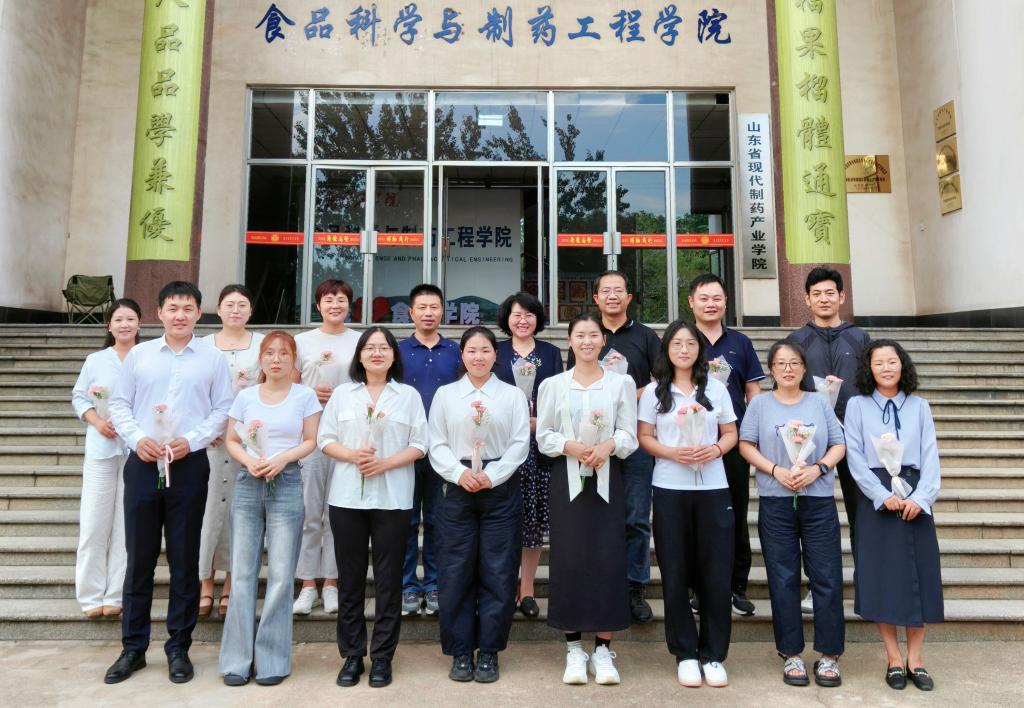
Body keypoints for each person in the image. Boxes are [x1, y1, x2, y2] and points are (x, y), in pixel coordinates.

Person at [105, 281, 233, 685]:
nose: (180, 315)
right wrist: (136, 438)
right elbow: (119, 404)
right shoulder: (140, 355)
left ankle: (179, 647)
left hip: (188, 464)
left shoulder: (213, 359)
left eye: (188, 308)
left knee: (184, 559)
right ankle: (133, 648)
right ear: (159, 313)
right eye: (173, 308)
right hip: (143, 463)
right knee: (139, 559)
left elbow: (223, 408)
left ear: (198, 313)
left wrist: (191, 441)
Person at [321, 327, 429, 689]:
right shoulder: (343, 394)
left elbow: (420, 444)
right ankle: (352, 655)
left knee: (388, 580)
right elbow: (325, 439)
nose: (377, 353)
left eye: (384, 347)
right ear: (360, 356)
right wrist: (353, 455)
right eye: (370, 348)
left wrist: (387, 463)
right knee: (350, 580)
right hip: (347, 497)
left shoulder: (408, 396)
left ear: (394, 355)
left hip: (393, 497)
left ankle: (382, 656)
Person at [537, 313, 639, 686]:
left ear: (603, 340)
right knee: (570, 559)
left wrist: (608, 445)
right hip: (567, 482)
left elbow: (629, 434)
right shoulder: (553, 385)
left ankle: (603, 650)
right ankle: (573, 649)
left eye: (593, 335)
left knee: (608, 559)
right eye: (580, 335)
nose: (587, 341)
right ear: (569, 340)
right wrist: (572, 446)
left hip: (607, 481)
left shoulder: (621, 383)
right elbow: (544, 435)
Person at [739, 340, 847, 689]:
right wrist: (775, 470)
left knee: (826, 576)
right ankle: (791, 653)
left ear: (804, 368)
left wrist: (818, 468)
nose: (788, 369)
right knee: (783, 577)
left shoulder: (819, 402)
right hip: (776, 500)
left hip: (818, 499)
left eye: (794, 363)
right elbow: (745, 445)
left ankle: (829, 654)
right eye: (781, 363)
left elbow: (839, 444)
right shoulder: (760, 404)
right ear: (771, 369)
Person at [637, 320, 738, 688]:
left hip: (714, 488)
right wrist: (671, 453)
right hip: (669, 487)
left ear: (699, 350)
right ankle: (685, 653)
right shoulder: (653, 391)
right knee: (675, 571)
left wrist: (715, 449)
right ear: (667, 349)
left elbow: (731, 433)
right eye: (676, 343)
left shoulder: (716, 388)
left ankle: (713, 654)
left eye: (690, 344)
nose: (684, 349)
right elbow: (644, 436)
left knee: (716, 573)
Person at [429, 326, 530, 683]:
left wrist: (493, 475)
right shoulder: (446, 395)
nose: (478, 356)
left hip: (499, 486)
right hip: (457, 486)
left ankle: (489, 650)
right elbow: (436, 442)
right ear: (462, 355)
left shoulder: (512, 395)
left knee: (498, 570)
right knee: (455, 569)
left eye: (485, 350)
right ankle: (460, 651)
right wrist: (459, 474)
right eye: (471, 350)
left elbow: (520, 442)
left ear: (495, 355)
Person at [219, 331, 321, 686]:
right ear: (260, 359)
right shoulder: (246, 396)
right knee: (242, 572)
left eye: (284, 353)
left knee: (280, 575)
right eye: (270, 353)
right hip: (249, 483)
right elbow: (232, 439)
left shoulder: (305, 396)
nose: (276, 359)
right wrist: (249, 460)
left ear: (294, 359)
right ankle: (237, 660)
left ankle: (272, 660)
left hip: (287, 481)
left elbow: (311, 440)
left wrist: (282, 459)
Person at [844, 340, 943, 691]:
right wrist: (880, 494)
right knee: (882, 576)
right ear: (868, 369)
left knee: (921, 574)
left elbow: (930, 455)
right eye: (879, 363)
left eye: (892, 361)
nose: (886, 368)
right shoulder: (857, 405)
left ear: (903, 365)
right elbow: (854, 456)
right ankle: (893, 658)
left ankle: (916, 659)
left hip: (915, 492)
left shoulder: (919, 406)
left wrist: (922, 497)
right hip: (877, 495)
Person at [566, 270, 660, 624]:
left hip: (633, 441)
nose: (612, 296)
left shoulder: (646, 337)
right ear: (596, 298)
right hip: (590, 445)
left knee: (636, 517)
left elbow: (660, 381)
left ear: (629, 297)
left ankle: (635, 587)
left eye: (618, 290)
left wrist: (623, 394)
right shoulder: (588, 335)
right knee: (594, 517)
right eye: (605, 291)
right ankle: (599, 583)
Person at [787, 266, 870, 616]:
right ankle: (815, 585)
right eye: (816, 294)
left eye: (830, 293)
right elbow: (786, 386)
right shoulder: (797, 340)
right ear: (806, 299)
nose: (824, 299)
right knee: (813, 517)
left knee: (862, 512)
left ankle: (868, 583)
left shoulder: (860, 338)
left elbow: (872, 385)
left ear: (842, 296)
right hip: (810, 439)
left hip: (856, 436)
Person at [688, 273, 764, 616]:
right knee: (694, 516)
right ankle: (697, 588)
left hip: (731, 442)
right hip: (689, 444)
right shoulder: (682, 339)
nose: (710, 304)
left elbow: (753, 391)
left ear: (726, 302)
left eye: (716, 298)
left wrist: (751, 434)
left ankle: (736, 586)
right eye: (704, 298)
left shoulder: (741, 343)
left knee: (734, 512)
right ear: (691, 302)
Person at [493, 291, 564, 618]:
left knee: (532, 521)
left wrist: (540, 422)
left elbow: (560, 397)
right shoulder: (495, 351)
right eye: (517, 314)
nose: (523, 320)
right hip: (503, 445)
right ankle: (504, 586)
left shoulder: (550, 353)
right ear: (507, 319)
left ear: (538, 319)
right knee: (505, 519)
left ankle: (527, 589)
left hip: (539, 448)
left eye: (529, 315)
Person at [293, 279, 361, 616]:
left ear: (350, 304)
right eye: (328, 299)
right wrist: (310, 394)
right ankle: (308, 583)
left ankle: (332, 582)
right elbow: (290, 387)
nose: (335, 305)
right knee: (309, 510)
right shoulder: (302, 341)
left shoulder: (360, 341)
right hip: (311, 434)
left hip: (347, 436)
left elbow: (368, 383)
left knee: (338, 512)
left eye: (341, 299)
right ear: (318, 305)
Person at [71, 298, 141, 619]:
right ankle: (89, 594)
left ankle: (116, 593)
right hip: (101, 449)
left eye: (130, 319)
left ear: (139, 323)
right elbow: (79, 396)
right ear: (109, 325)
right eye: (118, 319)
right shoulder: (95, 360)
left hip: (136, 450)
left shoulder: (147, 357)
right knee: (94, 523)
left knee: (127, 525)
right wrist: (97, 422)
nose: (125, 324)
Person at [198, 285, 265, 618]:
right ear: (218, 308)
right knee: (207, 511)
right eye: (229, 304)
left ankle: (230, 584)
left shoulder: (263, 344)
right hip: (209, 442)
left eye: (242, 304)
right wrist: (205, 429)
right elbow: (192, 393)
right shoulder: (201, 346)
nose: (235, 310)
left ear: (251, 311)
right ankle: (204, 582)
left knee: (242, 512)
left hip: (248, 442)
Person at [397, 284, 461, 617]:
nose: (428, 313)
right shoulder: (396, 351)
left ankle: (434, 583)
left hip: (443, 449)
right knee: (406, 521)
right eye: (421, 307)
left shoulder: (457, 351)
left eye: (434, 307)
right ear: (411, 313)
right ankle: (408, 585)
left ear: (442, 312)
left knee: (438, 520)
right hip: (404, 449)